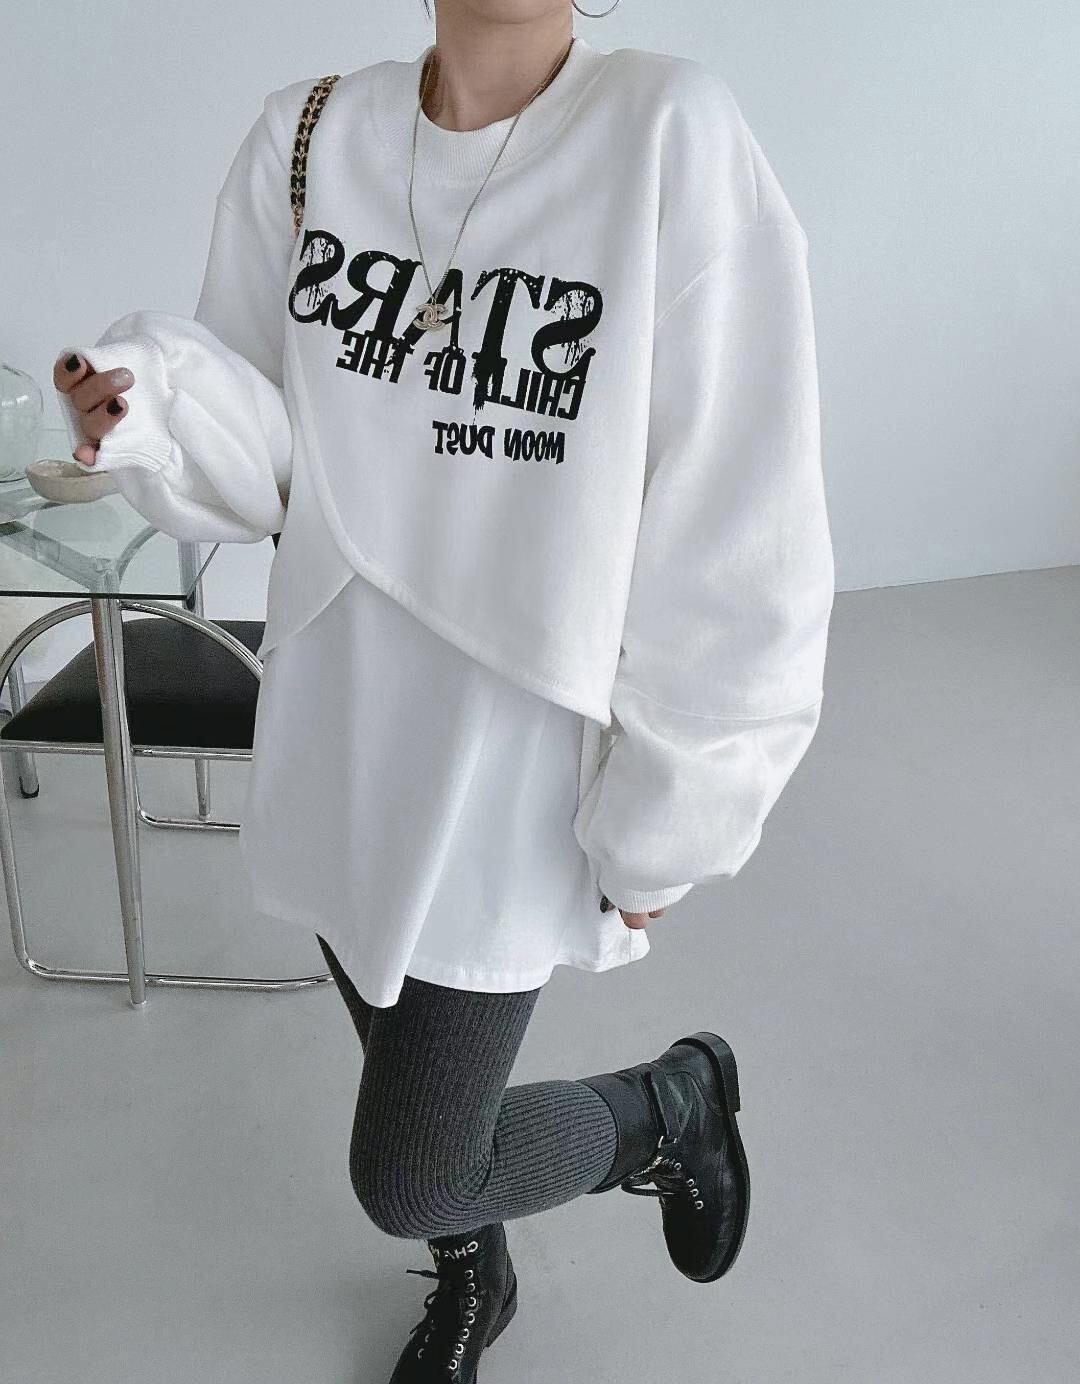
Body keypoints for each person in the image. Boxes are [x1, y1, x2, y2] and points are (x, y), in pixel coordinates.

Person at [53, 1, 835, 1377]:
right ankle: (482, 1265)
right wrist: (155, 400)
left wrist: (678, 805)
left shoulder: (666, 129)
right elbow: (267, 445)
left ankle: (670, 1108)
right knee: (395, 1041)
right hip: (338, 711)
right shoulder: (309, 134)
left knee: (412, 1169)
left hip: (514, 748)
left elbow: (738, 501)